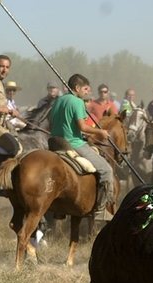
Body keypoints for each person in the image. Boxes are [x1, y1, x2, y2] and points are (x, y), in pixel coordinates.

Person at [49, 73, 114, 213]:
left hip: (55, 142)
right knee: (107, 170)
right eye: (85, 89)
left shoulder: (58, 100)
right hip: (73, 144)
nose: (87, 92)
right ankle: (101, 210)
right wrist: (100, 132)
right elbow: (83, 127)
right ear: (77, 88)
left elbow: (53, 122)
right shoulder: (77, 102)